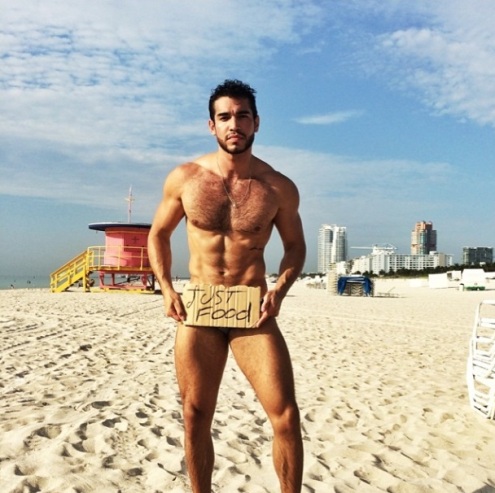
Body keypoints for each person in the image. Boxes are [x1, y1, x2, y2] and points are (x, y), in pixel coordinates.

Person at [148, 79, 306, 493]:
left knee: (286, 416)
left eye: (242, 116)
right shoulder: (185, 178)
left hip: (251, 309)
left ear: (256, 123)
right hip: (199, 309)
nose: (234, 124)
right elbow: (158, 234)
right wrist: (166, 288)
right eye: (224, 117)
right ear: (212, 125)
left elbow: (295, 246)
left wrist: (280, 289)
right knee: (195, 415)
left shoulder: (278, 188)